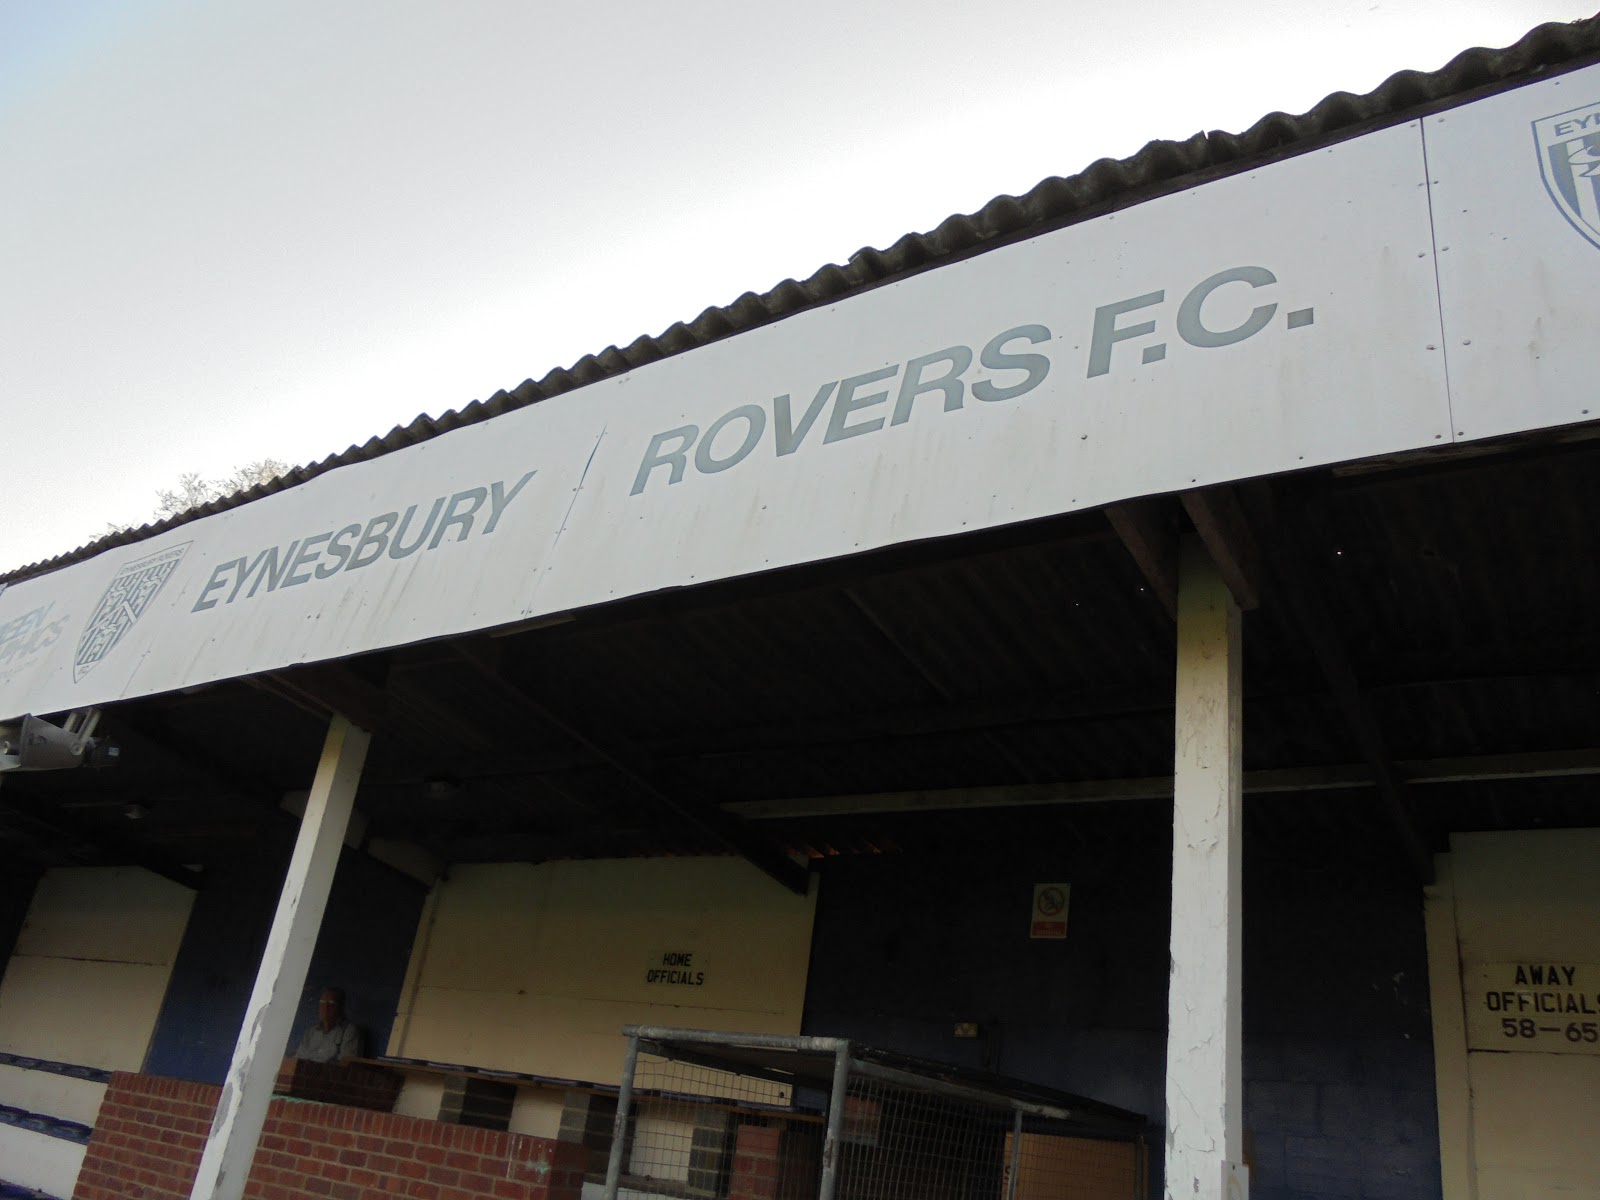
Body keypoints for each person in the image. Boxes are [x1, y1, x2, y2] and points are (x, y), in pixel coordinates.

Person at [292, 986, 362, 1064]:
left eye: (331, 1003)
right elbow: (297, 1059)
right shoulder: (311, 1032)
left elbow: (345, 1066)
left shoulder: (349, 1031)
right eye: (322, 1002)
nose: (326, 1007)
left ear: (340, 1007)